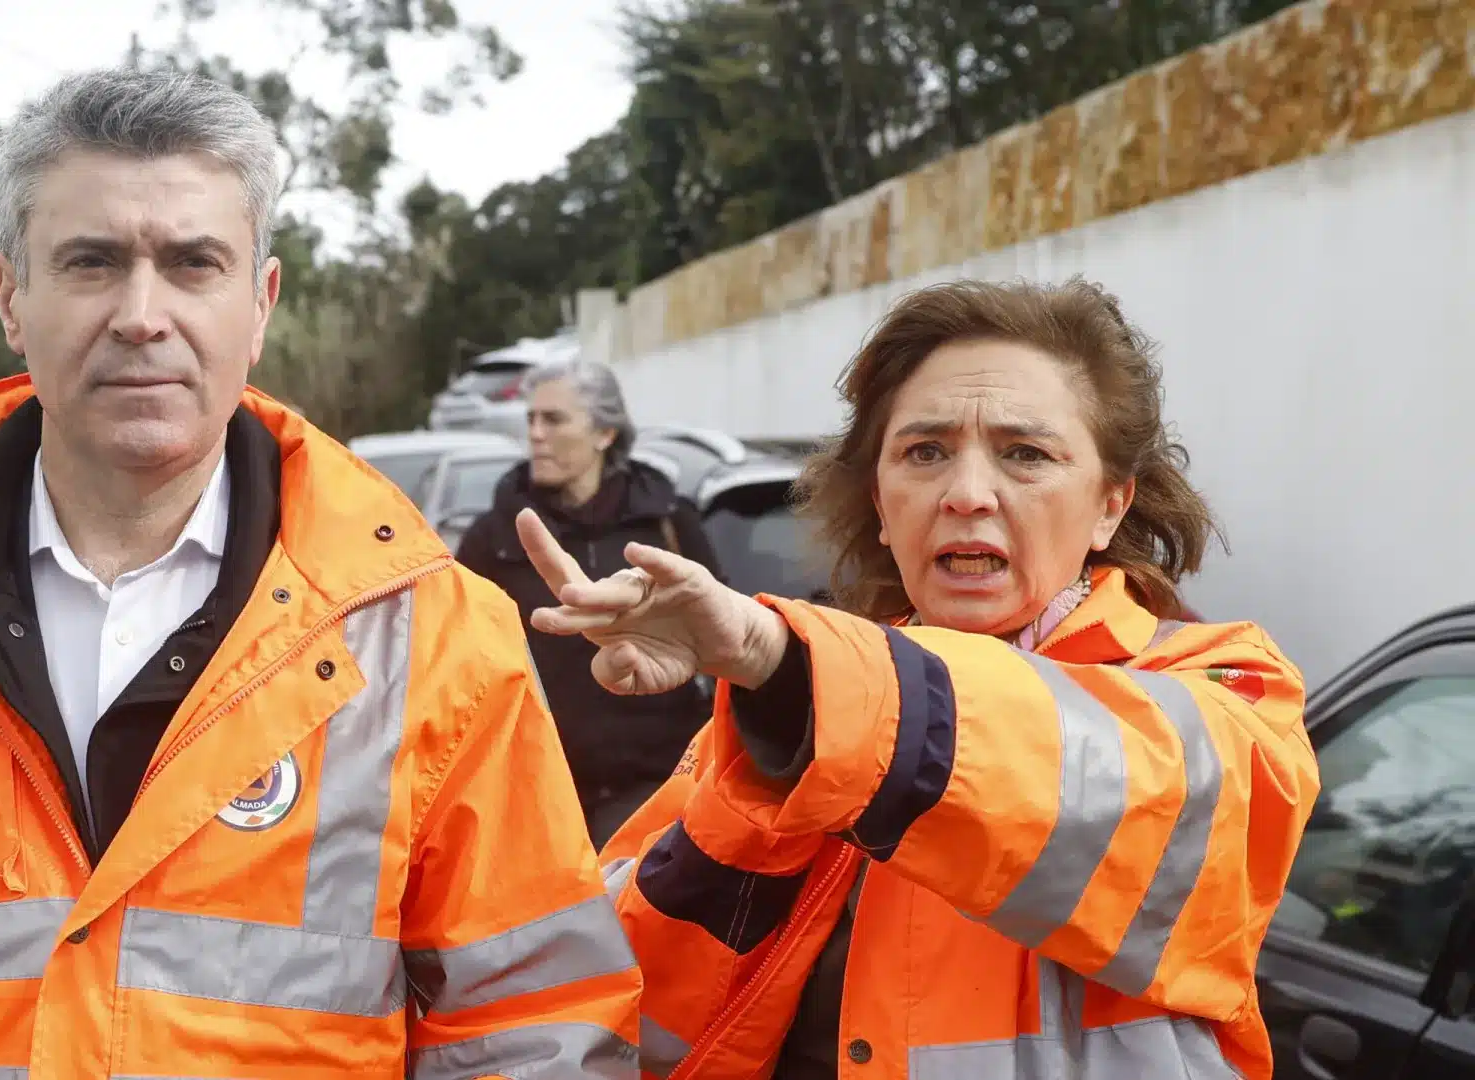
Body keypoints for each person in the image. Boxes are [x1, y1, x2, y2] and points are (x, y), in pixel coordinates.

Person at [0, 68, 639, 1079]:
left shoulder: (435, 637)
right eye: (91, 262)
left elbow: (533, 1025)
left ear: (259, 303)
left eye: (193, 264)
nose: (142, 315)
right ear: (11, 298)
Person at [519, 279, 1320, 1078]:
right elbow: (625, 1004)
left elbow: (1102, 786)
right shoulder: (792, 707)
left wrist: (790, 673)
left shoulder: (1228, 687)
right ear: (877, 500)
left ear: (1111, 506)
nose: (967, 495)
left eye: (1026, 454)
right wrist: (764, 776)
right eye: (925, 452)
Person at [455, 358, 721, 848]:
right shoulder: (494, 537)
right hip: (535, 792)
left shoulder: (666, 525)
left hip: (659, 787)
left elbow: (721, 636)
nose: (535, 434)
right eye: (531, 420)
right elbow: (459, 663)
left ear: (604, 433)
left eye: (553, 420)